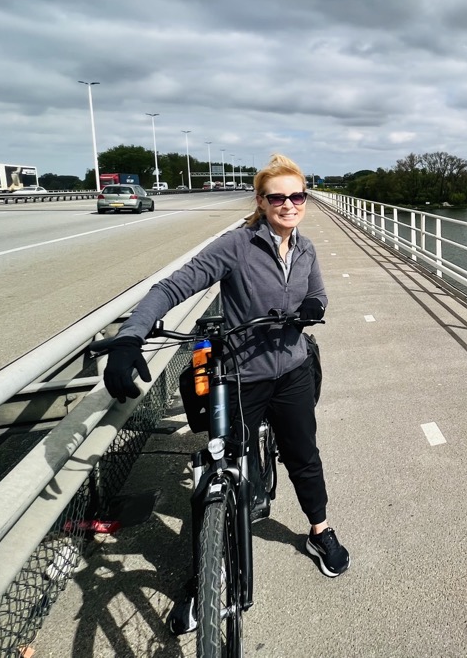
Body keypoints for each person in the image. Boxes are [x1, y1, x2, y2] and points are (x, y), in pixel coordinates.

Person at [101, 153, 349, 634]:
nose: (288, 204)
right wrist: (131, 336)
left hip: (292, 370)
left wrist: (312, 307)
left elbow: (318, 294)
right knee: (219, 469)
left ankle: (319, 532)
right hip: (240, 376)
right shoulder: (236, 246)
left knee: (304, 454)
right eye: (277, 197)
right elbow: (173, 287)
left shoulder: (306, 248)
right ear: (261, 200)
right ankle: (207, 573)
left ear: (305, 198)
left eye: (297, 195)